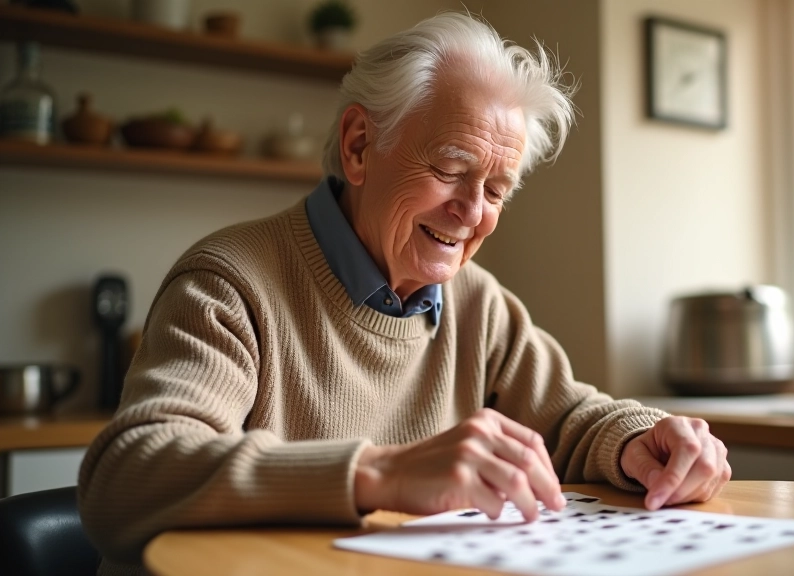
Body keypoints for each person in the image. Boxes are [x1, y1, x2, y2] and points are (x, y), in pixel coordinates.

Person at [78, 12, 730, 575]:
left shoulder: (479, 304)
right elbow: (130, 475)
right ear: (360, 146)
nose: (472, 212)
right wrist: (381, 475)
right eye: (450, 171)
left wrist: (644, 441)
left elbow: (569, 422)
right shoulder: (230, 283)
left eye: (498, 191)